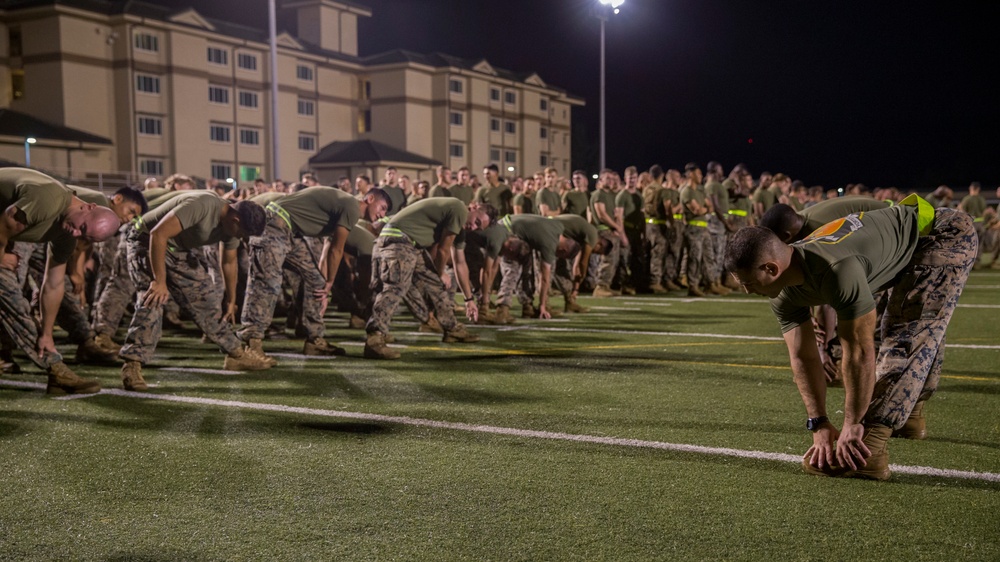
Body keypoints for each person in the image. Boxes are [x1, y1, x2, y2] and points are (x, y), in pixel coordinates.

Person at [725, 198, 977, 480]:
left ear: (771, 269)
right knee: (908, 325)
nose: (747, 292)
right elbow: (803, 356)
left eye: (748, 284)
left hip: (941, 232)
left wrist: (852, 423)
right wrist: (818, 423)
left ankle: (871, 443)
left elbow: (859, 353)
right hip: (895, 245)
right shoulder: (783, 291)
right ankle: (910, 416)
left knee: (907, 331)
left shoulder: (836, 269)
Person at [118, 191, 271, 390]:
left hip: (177, 250)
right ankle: (132, 365)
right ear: (235, 219)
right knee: (153, 299)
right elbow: (158, 233)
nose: (242, 239)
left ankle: (236, 355)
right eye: (243, 234)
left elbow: (228, 262)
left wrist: (231, 301)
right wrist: (159, 281)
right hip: (145, 242)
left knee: (206, 298)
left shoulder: (232, 225)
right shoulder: (202, 205)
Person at [0, 168, 120, 394]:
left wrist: (47, 334)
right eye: (81, 228)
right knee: (13, 300)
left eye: (83, 237)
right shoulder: (46, 201)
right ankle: (56, 369)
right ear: (88, 206)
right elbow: (3, 228)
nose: (76, 235)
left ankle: (53, 367)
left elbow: (53, 284)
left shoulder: (68, 231)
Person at [239, 187, 391, 361]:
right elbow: (336, 249)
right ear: (370, 198)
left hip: (289, 231)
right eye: (383, 207)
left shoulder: (345, 208)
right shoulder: (352, 206)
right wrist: (331, 281)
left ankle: (315, 340)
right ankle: (250, 345)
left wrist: (325, 283)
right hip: (274, 224)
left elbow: (328, 247)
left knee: (316, 282)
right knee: (266, 284)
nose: (382, 215)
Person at [363, 198, 487, 359]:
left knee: (434, 284)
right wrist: (441, 273)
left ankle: (453, 329)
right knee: (395, 288)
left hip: (408, 243)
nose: (474, 226)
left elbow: (460, 262)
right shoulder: (459, 209)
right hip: (399, 240)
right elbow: (443, 251)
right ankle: (374, 339)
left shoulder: (459, 224)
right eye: (476, 220)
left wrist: (468, 299)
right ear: (473, 207)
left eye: (478, 227)